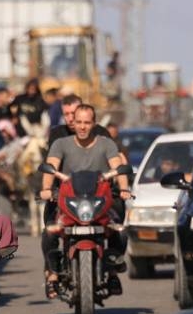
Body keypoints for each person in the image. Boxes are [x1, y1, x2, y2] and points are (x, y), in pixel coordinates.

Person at [40, 104, 131, 298]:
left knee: (120, 230)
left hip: (98, 201)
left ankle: (113, 270)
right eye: (78, 122)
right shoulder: (61, 144)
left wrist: (124, 189)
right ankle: (53, 275)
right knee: (49, 231)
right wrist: (47, 190)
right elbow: (51, 166)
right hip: (69, 202)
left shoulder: (106, 144)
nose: (82, 126)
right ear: (73, 122)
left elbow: (118, 167)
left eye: (87, 122)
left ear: (94, 124)